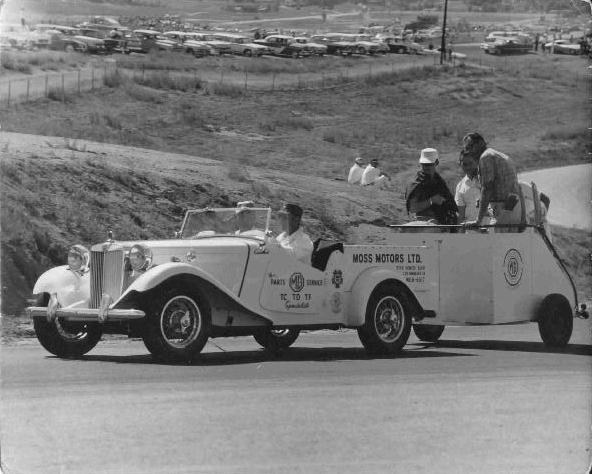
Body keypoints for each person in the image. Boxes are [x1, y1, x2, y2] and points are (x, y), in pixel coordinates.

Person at [461, 132, 523, 232]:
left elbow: (487, 189)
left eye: (470, 147)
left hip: (503, 211)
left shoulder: (486, 157)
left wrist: (478, 220)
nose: (469, 151)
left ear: (480, 144)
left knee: (499, 246)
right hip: (513, 209)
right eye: (466, 148)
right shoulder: (498, 155)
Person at [405, 148, 458, 225]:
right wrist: (431, 201)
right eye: (424, 164)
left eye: (429, 164)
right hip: (423, 221)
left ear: (436, 162)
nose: (426, 167)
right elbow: (412, 208)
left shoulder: (439, 181)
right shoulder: (417, 183)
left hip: (441, 220)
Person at [455, 149, 484, 223]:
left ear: (477, 162)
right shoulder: (460, 186)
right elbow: (461, 214)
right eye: (464, 164)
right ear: (460, 164)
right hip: (470, 230)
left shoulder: (486, 180)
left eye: (470, 163)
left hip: (490, 227)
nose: (468, 167)